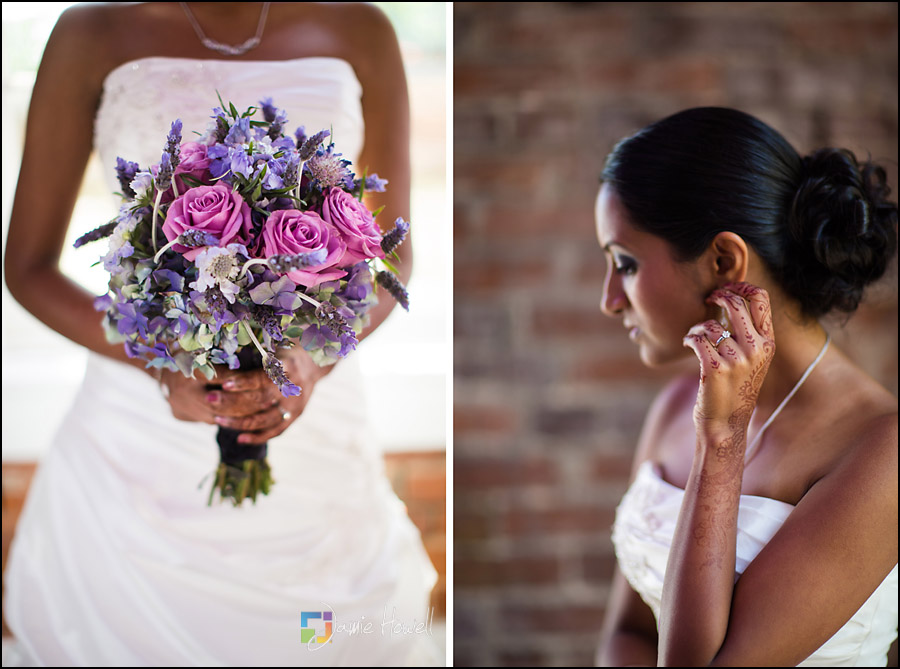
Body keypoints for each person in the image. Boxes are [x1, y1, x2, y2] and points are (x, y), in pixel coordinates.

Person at [2, 2, 440, 666]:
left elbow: (390, 255)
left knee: (314, 638)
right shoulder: (89, 31)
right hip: (135, 443)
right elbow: (28, 266)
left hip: (312, 415)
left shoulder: (362, 28)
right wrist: (159, 365)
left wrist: (311, 358)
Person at [593, 107, 898, 666]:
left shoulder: (883, 453)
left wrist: (724, 441)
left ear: (723, 260)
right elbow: (629, 633)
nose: (610, 298)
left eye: (626, 263)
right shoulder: (675, 406)